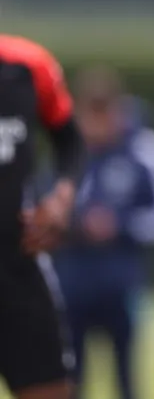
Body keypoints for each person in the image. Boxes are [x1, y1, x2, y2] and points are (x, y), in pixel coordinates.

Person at [50, 65, 154, 399]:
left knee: (126, 378)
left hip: (123, 282)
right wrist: (73, 225)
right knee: (70, 378)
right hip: (72, 284)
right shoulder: (69, 151)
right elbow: (47, 206)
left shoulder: (146, 151)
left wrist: (121, 227)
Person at [0, 34, 85, 399]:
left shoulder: (28, 66)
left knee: (50, 389)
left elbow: (70, 141)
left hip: (17, 263)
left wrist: (61, 200)